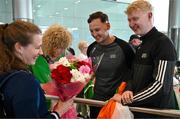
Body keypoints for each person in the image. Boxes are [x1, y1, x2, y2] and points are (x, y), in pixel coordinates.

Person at [112, 0, 177, 118]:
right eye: (129, 20)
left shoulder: (163, 43)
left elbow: (161, 86)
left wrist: (126, 100)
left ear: (150, 15)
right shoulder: (142, 44)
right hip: (140, 112)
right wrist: (128, 90)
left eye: (135, 19)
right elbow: (133, 75)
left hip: (157, 114)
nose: (131, 24)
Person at [0, 20, 73, 118]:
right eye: (37, 47)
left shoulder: (6, 71)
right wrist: (58, 112)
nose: (41, 52)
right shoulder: (23, 80)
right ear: (19, 47)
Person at [87, 11, 134, 118]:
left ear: (108, 26)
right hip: (96, 102)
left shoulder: (125, 48)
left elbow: (133, 74)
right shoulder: (91, 48)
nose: (94, 34)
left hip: (116, 103)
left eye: (97, 30)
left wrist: (127, 91)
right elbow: (91, 73)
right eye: (91, 31)